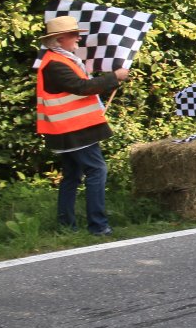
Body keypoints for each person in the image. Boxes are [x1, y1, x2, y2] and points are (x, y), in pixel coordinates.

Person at [36, 15, 130, 236]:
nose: (78, 38)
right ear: (59, 39)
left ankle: (67, 227)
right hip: (73, 130)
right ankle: (98, 226)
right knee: (97, 170)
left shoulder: (61, 60)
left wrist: (111, 80)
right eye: (74, 34)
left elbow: (82, 87)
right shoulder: (56, 64)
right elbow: (82, 87)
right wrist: (114, 77)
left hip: (69, 130)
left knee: (72, 176)